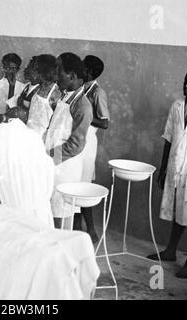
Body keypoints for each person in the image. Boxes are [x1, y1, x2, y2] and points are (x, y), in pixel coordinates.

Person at [147, 67, 187, 278]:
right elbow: (168, 137)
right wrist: (164, 168)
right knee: (177, 208)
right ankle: (171, 251)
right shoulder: (176, 106)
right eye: (186, 81)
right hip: (176, 165)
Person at [46, 52, 95, 235]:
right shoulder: (64, 96)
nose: (55, 75)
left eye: (59, 71)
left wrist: (49, 157)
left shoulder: (82, 105)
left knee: (60, 213)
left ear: (73, 76)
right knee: (51, 212)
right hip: (54, 163)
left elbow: (75, 145)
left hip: (64, 168)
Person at [72, 55, 110, 240]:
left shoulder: (97, 92)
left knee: (83, 185)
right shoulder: (80, 88)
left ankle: (91, 230)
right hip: (76, 137)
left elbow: (104, 123)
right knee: (74, 182)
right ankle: (78, 226)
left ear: (89, 72)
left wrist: (84, 116)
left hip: (87, 143)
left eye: (83, 68)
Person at [26, 54, 61, 138]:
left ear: (43, 72)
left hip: (42, 141)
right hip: (29, 136)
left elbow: (57, 125)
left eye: (35, 70)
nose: (32, 72)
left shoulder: (55, 93)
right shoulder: (38, 88)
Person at [0, 56, 40, 124]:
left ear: (37, 72)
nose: (25, 70)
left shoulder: (39, 91)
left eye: (28, 68)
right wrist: (12, 87)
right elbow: (11, 108)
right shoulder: (27, 87)